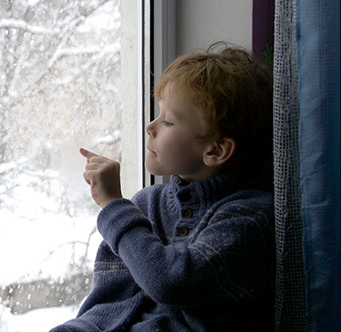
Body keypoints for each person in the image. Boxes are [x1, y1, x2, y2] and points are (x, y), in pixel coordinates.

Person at [51, 42, 274, 332]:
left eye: (168, 121)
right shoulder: (146, 204)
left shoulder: (250, 219)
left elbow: (171, 282)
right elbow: (111, 303)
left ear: (216, 151)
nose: (150, 127)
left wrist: (114, 206)